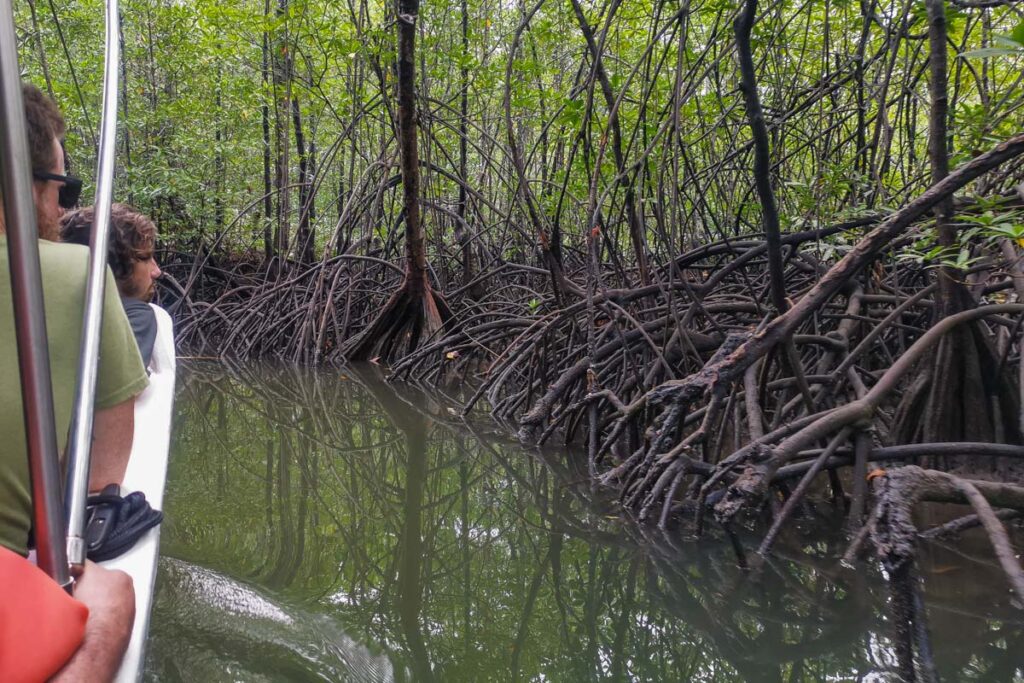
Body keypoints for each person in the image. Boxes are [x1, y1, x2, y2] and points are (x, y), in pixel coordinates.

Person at [0, 83, 148, 681]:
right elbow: (101, 482)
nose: (63, 208)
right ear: (24, 180)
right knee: (109, 592)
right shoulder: (70, 273)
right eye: (64, 188)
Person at [61, 204, 163, 367]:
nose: (156, 271)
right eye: (145, 258)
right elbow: (127, 392)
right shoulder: (137, 315)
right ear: (113, 267)